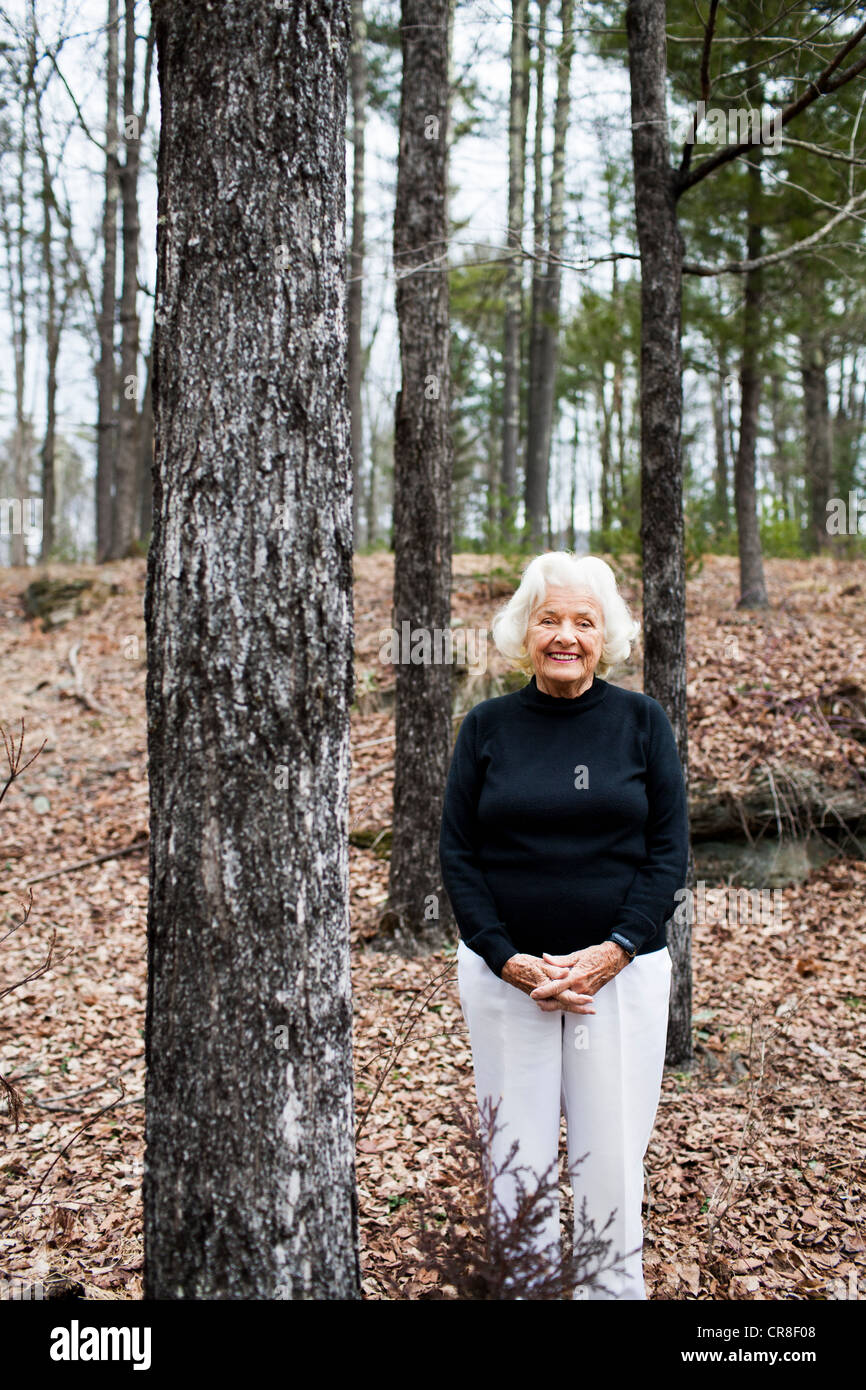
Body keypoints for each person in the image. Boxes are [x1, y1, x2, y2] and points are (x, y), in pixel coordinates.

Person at [439, 550, 689, 1299]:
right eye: (550, 618)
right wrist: (507, 957)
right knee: (516, 1158)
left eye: (584, 620)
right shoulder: (486, 727)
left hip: (621, 977)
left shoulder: (641, 722)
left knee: (610, 1155)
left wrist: (613, 950)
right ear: (526, 631)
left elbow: (668, 851)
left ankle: (610, 1293)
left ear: (605, 634)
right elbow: (459, 854)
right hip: (507, 979)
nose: (566, 635)